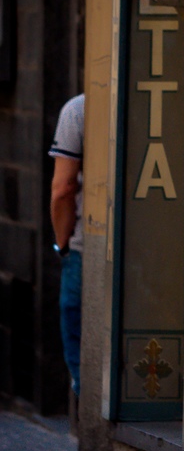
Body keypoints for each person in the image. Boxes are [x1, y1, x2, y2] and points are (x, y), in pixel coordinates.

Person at [49, 93, 85, 399]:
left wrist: (61, 245)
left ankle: (86, 403)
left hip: (86, 244)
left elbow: (64, 188)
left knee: (76, 325)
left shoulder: (79, 109)